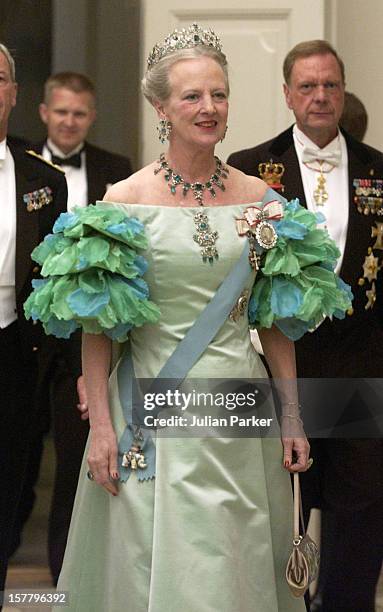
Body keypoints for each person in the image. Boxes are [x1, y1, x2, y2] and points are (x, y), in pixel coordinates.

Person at [26, 26, 351, 612]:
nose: (209, 109)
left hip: (238, 414)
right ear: (161, 107)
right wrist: (100, 428)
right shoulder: (123, 202)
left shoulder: (262, 199)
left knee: (232, 564)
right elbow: (98, 328)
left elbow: (274, 323)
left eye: (219, 95)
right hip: (147, 419)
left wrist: (296, 416)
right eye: (192, 96)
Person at [228, 40, 383, 612]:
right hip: (274, 365)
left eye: (331, 85)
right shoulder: (247, 168)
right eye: (308, 86)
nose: (320, 96)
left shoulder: (377, 170)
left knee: (361, 507)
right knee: (278, 502)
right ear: (288, 94)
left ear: (344, 92)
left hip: (361, 362)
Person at [11, 71, 133, 584]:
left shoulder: (117, 169)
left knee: (73, 464)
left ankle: (66, 579)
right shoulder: (23, 165)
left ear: (92, 116)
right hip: (23, 332)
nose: (68, 121)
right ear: (42, 112)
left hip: (78, 340)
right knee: (17, 462)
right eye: (60, 111)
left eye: (79, 113)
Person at [0, 43, 67, 600]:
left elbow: (52, 276)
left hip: (13, 352)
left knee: (10, 488)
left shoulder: (40, 178)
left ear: (15, 94)